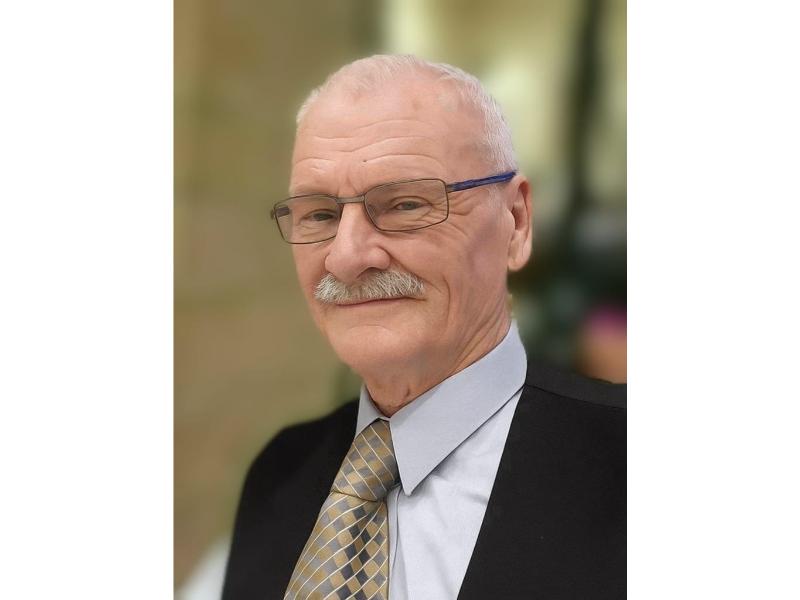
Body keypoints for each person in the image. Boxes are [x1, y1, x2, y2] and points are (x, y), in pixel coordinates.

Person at [222, 54, 625, 600]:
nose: (346, 257)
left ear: (516, 222)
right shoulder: (279, 472)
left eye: (405, 204)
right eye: (319, 214)